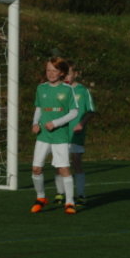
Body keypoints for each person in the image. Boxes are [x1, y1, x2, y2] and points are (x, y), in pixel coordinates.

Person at [30, 57, 79, 215]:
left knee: (63, 169)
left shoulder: (67, 89)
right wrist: (35, 123)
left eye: (54, 70)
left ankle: (69, 202)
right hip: (43, 136)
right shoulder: (41, 88)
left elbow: (74, 112)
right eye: (48, 70)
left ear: (62, 73)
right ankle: (41, 198)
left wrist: (56, 123)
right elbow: (39, 108)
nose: (50, 73)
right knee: (36, 169)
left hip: (60, 137)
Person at [53, 61, 95, 206]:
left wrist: (81, 124)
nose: (66, 77)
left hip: (76, 133)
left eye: (69, 74)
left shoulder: (83, 91)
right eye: (64, 74)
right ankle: (60, 193)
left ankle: (81, 194)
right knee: (60, 164)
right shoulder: (59, 90)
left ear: (75, 74)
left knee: (76, 161)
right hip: (60, 132)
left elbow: (90, 111)